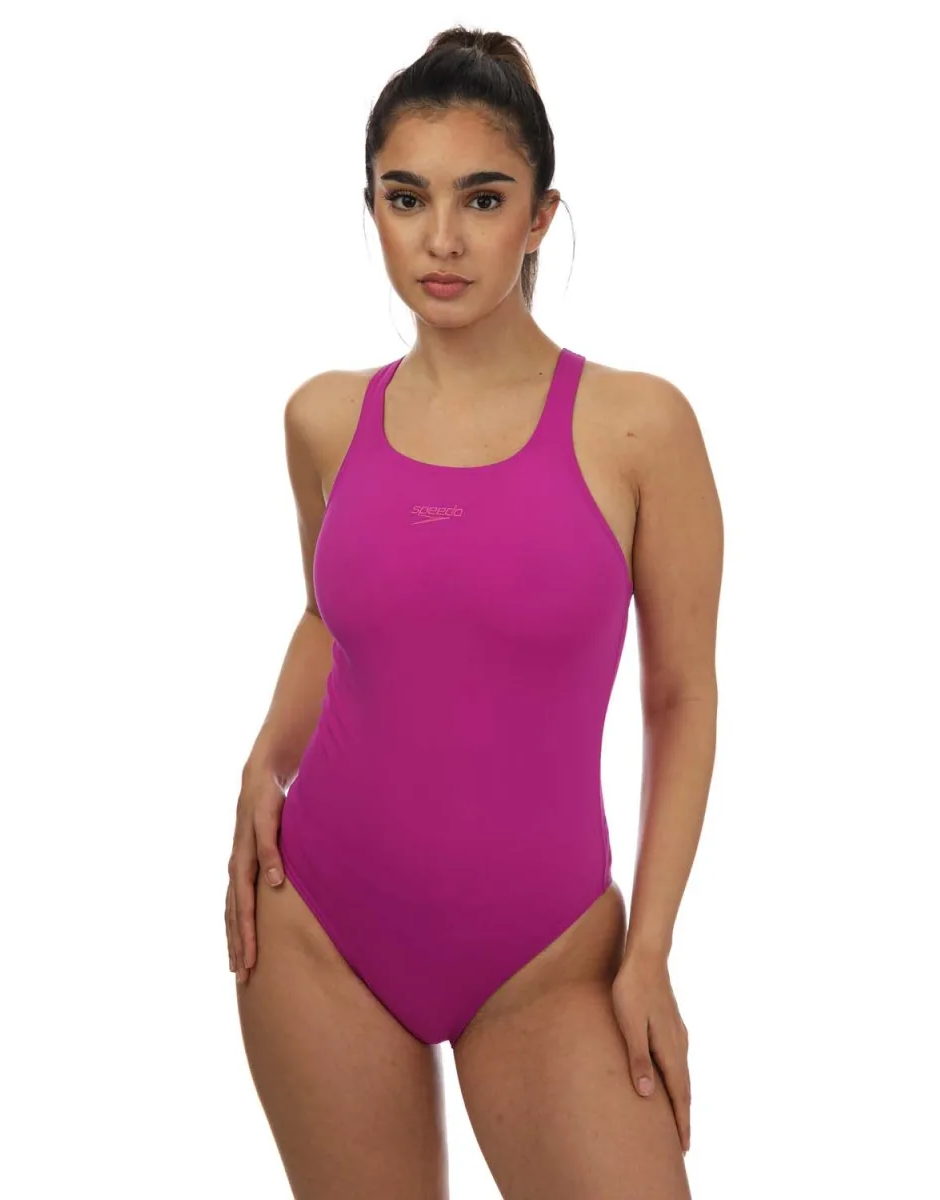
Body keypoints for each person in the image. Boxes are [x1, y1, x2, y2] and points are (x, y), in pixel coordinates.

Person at [225, 26, 722, 1199]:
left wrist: (650, 949)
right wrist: (264, 760)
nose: (440, 239)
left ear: (540, 217)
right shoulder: (323, 420)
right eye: (406, 198)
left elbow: (680, 694)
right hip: (320, 930)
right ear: (373, 209)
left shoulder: (638, 428)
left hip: (549, 961)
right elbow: (331, 619)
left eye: (482, 199)